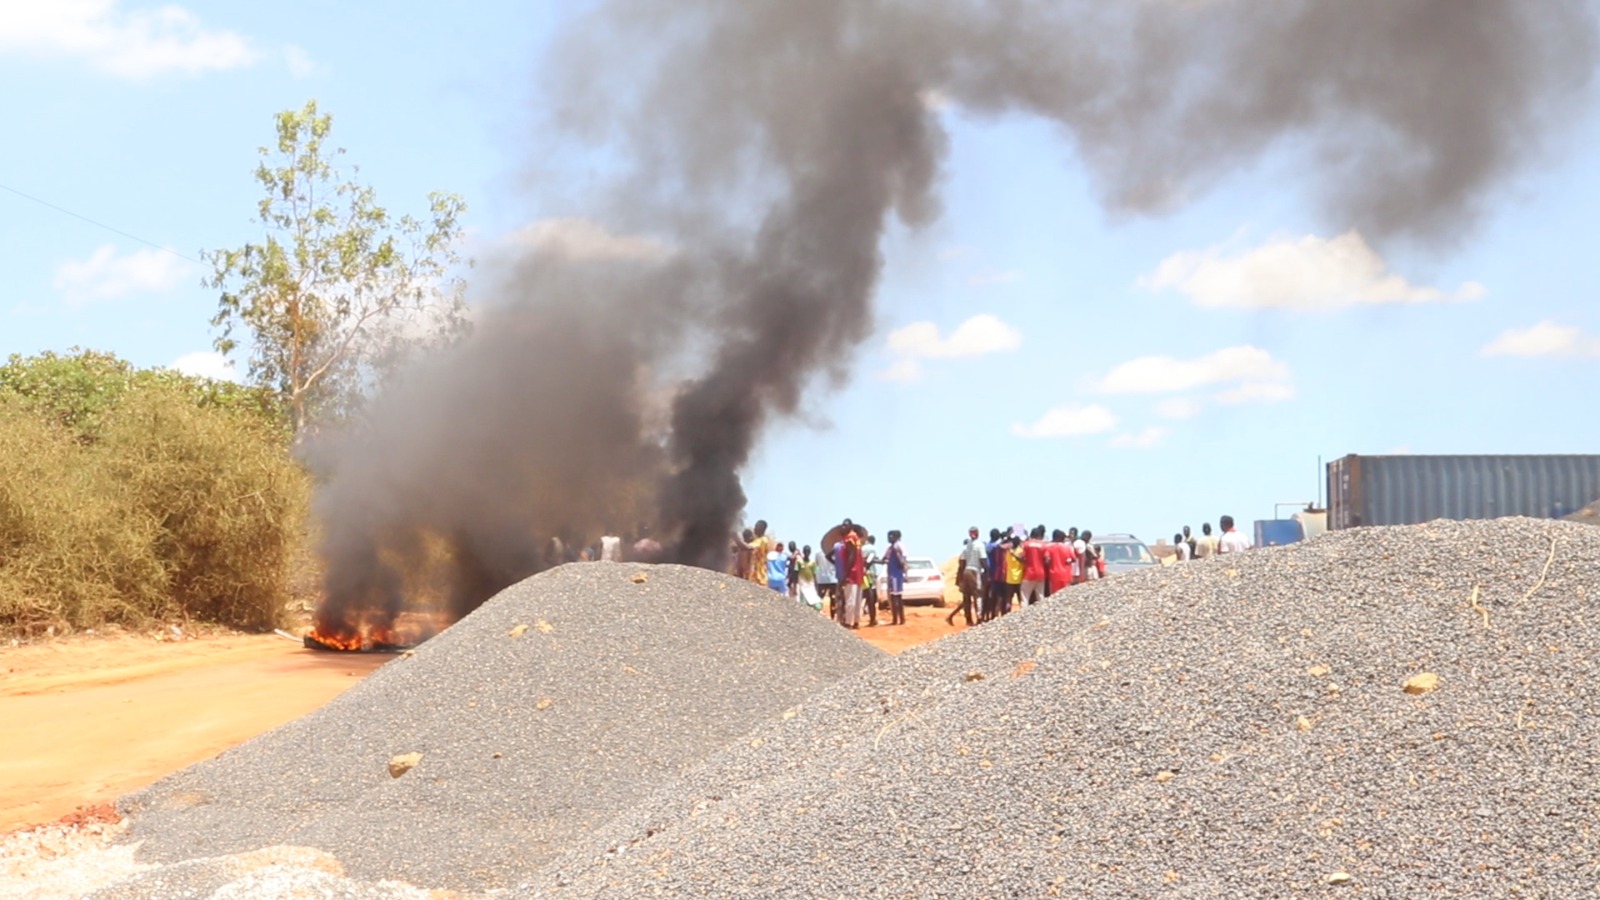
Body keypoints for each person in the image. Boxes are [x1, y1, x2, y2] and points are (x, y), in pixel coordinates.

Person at [950, 526, 985, 626]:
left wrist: (960, 578)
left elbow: (962, 563)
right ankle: (979, 618)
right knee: (978, 595)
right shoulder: (980, 545)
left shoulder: (967, 547)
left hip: (966, 571)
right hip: (975, 571)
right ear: (978, 533)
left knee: (967, 597)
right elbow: (983, 559)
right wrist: (987, 571)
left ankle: (968, 620)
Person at [836, 524, 867, 629]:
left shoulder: (849, 539)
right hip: (859, 573)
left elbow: (851, 555)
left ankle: (848, 622)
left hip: (852, 573)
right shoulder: (857, 539)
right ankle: (856, 621)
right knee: (857, 599)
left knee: (850, 599)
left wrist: (845, 574)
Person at [884, 529, 908, 626]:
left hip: (895, 575)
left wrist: (904, 571)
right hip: (893, 574)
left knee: (896, 598)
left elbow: (902, 560)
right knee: (895, 597)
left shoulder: (896, 547)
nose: (889, 538)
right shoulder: (891, 548)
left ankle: (897, 619)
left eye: (891, 536)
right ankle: (899, 619)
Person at [1020, 525, 1049, 606]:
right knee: (1040, 596)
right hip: (1041, 574)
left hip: (1029, 573)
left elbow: (1021, 556)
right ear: (1039, 535)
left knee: (1025, 597)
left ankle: (1023, 615)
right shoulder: (1044, 545)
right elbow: (1047, 560)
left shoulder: (1025, 544)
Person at [1046, 529, 1075, 595]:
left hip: (1053, 575)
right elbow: (1073, 559)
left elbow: (1047, 560)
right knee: (1066, 595)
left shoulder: (1048, 547)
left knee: (1054, 595)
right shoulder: (1067, 547)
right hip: (1066, 574)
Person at [861, 535, 881, 626]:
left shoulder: (862, 548)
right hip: (870, 574)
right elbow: (874, 559)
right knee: (871, 596)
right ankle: (872, 619)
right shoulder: (873, 549)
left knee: (862, 595)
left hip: (861, 574)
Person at [815, 543, 839, 619]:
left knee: (820, 598)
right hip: (833, 579)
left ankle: (818, 614)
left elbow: (817, 564)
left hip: (822, 579)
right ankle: (833, 616)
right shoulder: (834, 552)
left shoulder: (818, 553)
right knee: (833, 598)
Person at [796, 546, 822, 611]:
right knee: (803, 605)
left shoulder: (812, 563)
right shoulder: (799, 562)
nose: (807, 553)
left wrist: (817, 587)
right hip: (802, 586)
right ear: (803, 552)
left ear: (810, 552)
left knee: (817, 606)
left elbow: (814, 575)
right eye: (805, 551)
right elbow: (795, 573)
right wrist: (795, 585)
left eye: (808, 551)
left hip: (811, 586)